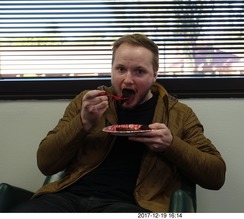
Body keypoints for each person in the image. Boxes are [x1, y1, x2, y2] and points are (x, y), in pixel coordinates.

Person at [11, 33, 226, 212]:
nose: (127, 80)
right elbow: (45, 163)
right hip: (67, 199)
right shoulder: (87, 102)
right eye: (121, 69)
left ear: (154, 76)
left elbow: (216, 176)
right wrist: (83, 123)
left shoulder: (178, 114)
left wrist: (171, 145)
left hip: (130, 206)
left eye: (139, 71)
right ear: (112, 70)